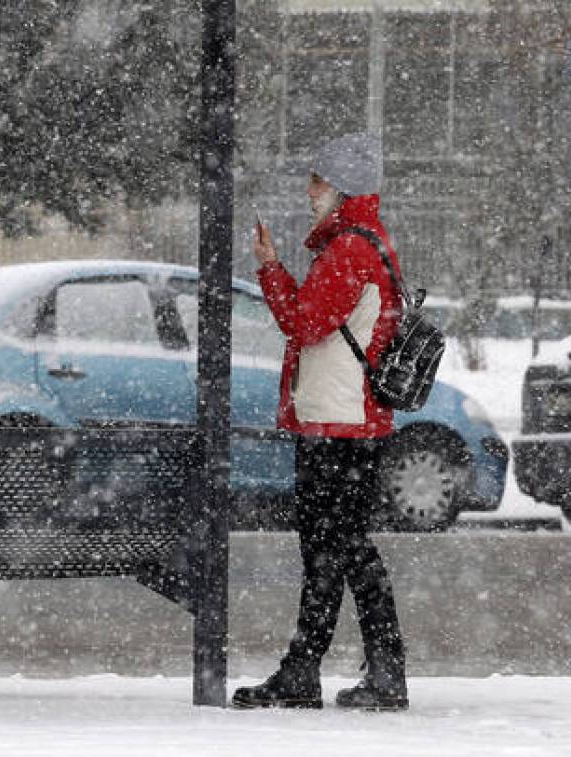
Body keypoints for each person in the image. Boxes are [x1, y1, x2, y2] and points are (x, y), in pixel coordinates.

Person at [230, 133, 408, 711]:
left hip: (341, 423)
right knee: (333, 547)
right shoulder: (358, 244)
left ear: (342, 188)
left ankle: (365, 675)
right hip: (343, 419)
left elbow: (303, 323)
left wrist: (270, 267)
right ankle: (315, 671)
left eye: (317, 181)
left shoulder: (351, 250)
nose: (309, 192)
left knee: (340, 546)